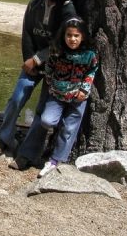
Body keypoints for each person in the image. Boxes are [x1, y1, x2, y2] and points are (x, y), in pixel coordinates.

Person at [0, 0, 77, 157]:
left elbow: (63, 41)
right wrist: (29, 59)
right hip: (32, 63)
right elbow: (27, 33)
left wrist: (38, 59)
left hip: (55, 67)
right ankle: (3, 138)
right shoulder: (36, 2)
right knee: (16, 99)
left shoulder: (68, 9)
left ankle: (29, 151)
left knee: (42, 109)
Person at [17, 17, 99, 177]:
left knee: (69, 128)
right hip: (56, 95)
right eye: (69, 35)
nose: (73, 39)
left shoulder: (89, 55)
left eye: (76, 36)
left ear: (82, 36)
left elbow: (91, 70)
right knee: (47, 120)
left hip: (78, 97)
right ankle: (48, 137)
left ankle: (55, 160)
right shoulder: (57, 52)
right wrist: (52, 85)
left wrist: (85, 88)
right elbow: (49, 69)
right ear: (63, 36)